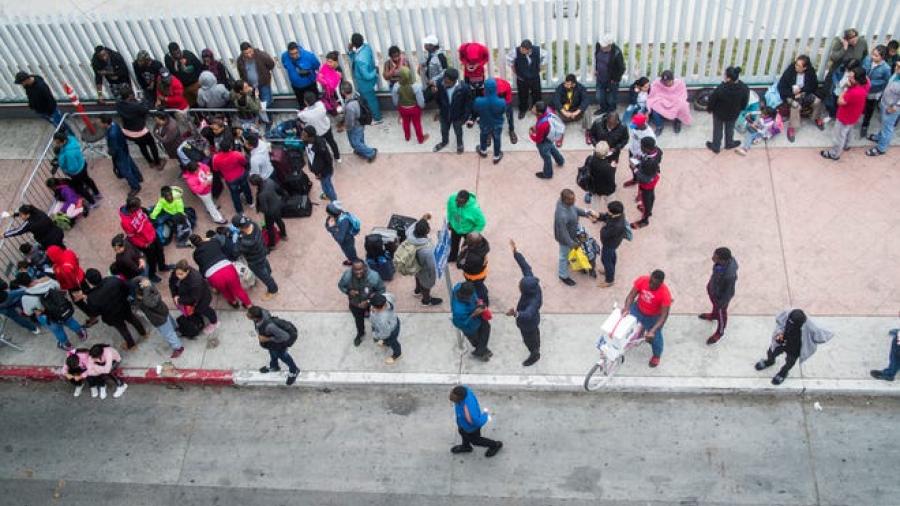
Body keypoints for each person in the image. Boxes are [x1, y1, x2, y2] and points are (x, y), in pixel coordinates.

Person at [756, 309, 833, 385]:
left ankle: (783, 373)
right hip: (782, 341)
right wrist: (779, 334)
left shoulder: (810, 327)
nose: (790, 324)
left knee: (790, 362)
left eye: (793, 324)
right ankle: (770, 361)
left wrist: (823, 337)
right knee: (771, 352)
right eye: (790, 321)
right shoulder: (787, 314)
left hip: (795, 348)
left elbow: (821, 335)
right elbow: (779, 323)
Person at [81, 268, 147, 350]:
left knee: (122, 329)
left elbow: (95, 313)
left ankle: (131, 344)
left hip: (112, 316)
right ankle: (143, 333)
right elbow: (126, 289)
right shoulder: (113, 280)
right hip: (124, 306)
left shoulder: (91, 297)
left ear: (90, 282)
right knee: (133, 319)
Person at [17, 272, 86, 350]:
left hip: (47, 316)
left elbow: (28, 312)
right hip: (61, 308)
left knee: (58, 330)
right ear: (30, 277)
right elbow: (60, 288)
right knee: (70, 321)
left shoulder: (25, 298)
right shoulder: (48, 282)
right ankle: (81, 334)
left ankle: (68, 345)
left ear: (22, 285)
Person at [623, 270, 672, 368]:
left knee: (655, 338)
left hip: (653, 316)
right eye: (651, 281)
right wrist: (627, 308)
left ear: (661, 283)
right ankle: (639, 332)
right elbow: (631, 295)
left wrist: (653, 331)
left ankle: (656, 355)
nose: (651, 285)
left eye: (655, 284)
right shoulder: (642, 280)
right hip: (638, 308)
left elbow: (664, 316)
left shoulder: (665, 294)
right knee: (625, 321)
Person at [188, 234, 251, 309]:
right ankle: (248, 305)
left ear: (193, 245)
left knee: (225, 291)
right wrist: (207, 239)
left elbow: (201, 267)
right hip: (227, 268)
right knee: (238, 289)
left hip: (213, 275)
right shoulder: (213, 242)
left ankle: (234, 303)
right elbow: (215, 240)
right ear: (202, 238)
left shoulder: (195, 254)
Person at [821, 67, 869, 161]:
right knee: (848, 131)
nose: (849, 79)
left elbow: (840, 102)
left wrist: (845, 89)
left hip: (845, 116)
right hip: (854, 114)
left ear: (857, 79)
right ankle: (847, 145)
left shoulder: (854, 92)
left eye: (851, 78)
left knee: (839, 136)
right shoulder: (866, 83)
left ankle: (834, 154)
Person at [507, 240, 542, 366]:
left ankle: (535, 354)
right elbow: (525, 267)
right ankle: (537, 343)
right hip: (533, 321)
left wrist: (515, 314)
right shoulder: (532, 282)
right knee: (535, 334)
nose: (518, 286)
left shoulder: (533, 301)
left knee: (529, 340)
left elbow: (527, 314)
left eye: (520, 286)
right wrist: (516, 252)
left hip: (528, 324)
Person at [119, 197, 170, 283]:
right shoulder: (125, 222)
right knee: (151, 259)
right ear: (132, 208)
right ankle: (152, 274)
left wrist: (152, 229)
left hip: (153, 234)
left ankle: (162, 266)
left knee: (160, 250)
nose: (140, 208)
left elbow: (145, 219)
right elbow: (132, 237)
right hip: (146, 243)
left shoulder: (138, 209)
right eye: (138, 207)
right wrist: (143, 244)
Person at [338, 260, 386, 346]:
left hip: (371, 305)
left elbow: (382, 290)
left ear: (365, 267)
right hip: (355, 304)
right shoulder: (347, 276)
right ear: (352, 268)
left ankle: (376, 334)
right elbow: (341, 286)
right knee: (358, 320)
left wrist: (369, 301)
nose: (358, 272)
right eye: (356, 269)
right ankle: (360, 334)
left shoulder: (374, 276)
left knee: (375, 320)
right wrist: (348, 291)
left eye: (360, 269)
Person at [248, 306, 300, 385]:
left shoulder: (270, 326)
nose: (246, 314)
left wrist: (267, 339)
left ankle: (294, 370)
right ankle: (274, 366)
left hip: (279, 343)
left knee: (283, 356)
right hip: (272, 344)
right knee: (272, 353)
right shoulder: (260, 313)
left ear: (255, 318)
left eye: (249, 314)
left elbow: (285, 337)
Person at [775, 55, 822, 142]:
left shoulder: (810, 72)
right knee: (795, 106)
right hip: (791, 95)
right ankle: (792, 127)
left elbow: (814, 86)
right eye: (796, 64)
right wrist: (793, 95)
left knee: (817, 101)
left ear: (805, 68)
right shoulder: (790, 71)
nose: (795, 67)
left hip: (805, 93)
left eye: (798, 66)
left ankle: (816, 117)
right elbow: (781, 87)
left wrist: (803, 91)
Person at [114, 85, 163, 168]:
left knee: (142, 146)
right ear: (130, 95)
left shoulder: (119, 105)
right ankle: (157, 163)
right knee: (152, 145)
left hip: (128, 132)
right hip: (140, 131)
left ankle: (150, 162)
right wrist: (142, 101)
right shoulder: (135, 106)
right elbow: (145, 110)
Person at [134, 277, 184, 358]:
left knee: (168, 333)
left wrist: (145, 290)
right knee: (171, 323)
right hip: (163, 311)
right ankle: (177, 330)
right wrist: (148, 286)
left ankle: (178, 348)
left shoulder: (146, 299)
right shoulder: (152, 289)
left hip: (158, 318)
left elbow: (148, 303)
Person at [554, 189, 595, 286]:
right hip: (565, 239)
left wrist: (586, 213)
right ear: (565, 200)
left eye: (574, 198)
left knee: (570, 251)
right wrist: (572, 244)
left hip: (573, 231)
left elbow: (574, 209)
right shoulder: (561, 216)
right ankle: (563, 275)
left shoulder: (564, 202)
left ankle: (570, 260)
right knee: (563, 256)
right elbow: (563, 233)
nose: (574, 201)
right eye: (571, 200)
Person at [233, 215, 278, 300]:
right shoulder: (254, 225)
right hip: (262, 252)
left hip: (255, 261)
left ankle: (273, 290)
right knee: (266, 266)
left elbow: (235, 252)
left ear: (239, 228)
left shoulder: (246, 242)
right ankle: (268, 272)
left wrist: (237, 240)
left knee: (265, 277)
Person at [699, 247, 738, 345]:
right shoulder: (721, 263)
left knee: (721, 313)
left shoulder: (729, 275)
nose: (712, 258)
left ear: (723, 260)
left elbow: (729, 292)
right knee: (715, 306)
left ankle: (720, 332)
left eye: (715, 257)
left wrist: (722, 304)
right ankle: (713, 315)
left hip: (721, 297)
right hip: (714, 289)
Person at [706, 66, 750, 153]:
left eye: (725, 75)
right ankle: (729, 143)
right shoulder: (744, 88)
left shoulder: (721, 89)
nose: (724, 76)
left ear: (729, 78)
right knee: (730, 128)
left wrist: (709, 109)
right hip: (733, 113)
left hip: (719, 113)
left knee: (717, 130)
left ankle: (716, 147)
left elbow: (712, 100)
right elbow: (744, 103)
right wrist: (740, 109)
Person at [45, 244, 94, 321]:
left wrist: (73, 291)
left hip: (75, 284)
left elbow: (71, 282)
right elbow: (76, 260)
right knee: (89, 292)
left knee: (78, 302)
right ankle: (95, 304)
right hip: (80, 275)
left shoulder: (63, 268)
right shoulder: (68, 252)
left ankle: (92, 316)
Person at [449, 385, 502, 456]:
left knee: (475, 440)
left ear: (460, 399)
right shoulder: (464, 390)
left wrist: (485, 415)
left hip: (472, 428)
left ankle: (495, 445)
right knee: (462, 432)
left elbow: (477, 422)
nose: (454, 402)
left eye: (455, 401)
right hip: (463, 424)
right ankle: (466, 447)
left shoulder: (468, 409)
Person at [51, 131, 100, 207]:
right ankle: (97, 193)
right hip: (82, 164)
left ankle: (92, 202)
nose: (57, 144)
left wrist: (65, 169)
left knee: (80, 188)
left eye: (58, 142)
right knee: (87, 179)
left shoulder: (68, 153)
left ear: (63, 141)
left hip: (76, 173)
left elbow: (72, 168)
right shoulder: (71, 139)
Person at [169, 259, 218, 334]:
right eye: (177, 274)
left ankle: (214, 322)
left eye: (181, 274)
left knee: (205, 310)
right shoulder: (176, 272)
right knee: (196, 310)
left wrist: (179, 300)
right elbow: (172, 283)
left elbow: (193, 298)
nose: (178, 276)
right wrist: (174, 294)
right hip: (188, 297)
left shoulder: (195, 281)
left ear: (187, 271)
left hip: (201, 299)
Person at [99, 116, 142, 196]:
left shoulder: (112, 134)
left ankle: (135, 186)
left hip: (119, 154)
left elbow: (114, 148)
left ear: (105, 123)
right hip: (124, 148)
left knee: (126, 171)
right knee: (131, 164)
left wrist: (110, 153)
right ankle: (138, 177)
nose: (99, 124)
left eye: (100, 122)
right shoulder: (115, 124)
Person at [433, 68, 473, 153]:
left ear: (454, 81)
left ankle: (459, 144)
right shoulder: (440, 83)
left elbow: (468, 104)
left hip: (458, 116)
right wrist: (435, 94)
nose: (444, 83)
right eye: (444, 80)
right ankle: (444, 142)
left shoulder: (464, 88)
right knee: (444, 130)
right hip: (444, 114)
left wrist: (465, 118)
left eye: (447, 82)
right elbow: (438, 99)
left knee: (458, 131)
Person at [405, 215, 442, 306]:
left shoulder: (409, 233)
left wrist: (423, 218)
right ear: (428, 231)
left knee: (417, 276)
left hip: (413, 264)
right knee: (426, 284)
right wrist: (432, 278)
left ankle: (417, 290)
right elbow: (431, 267)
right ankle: (426, 300)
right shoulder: (427, 250)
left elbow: (415, 225)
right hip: (423, 268)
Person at [236, 42, 276, 124]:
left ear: (252, 49)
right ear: (242, 53)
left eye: (250, 52)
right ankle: (263, 118)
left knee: (266, 102)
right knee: (257, 103)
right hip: (251, 86)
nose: (249, 55)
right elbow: (241, 74)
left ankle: (269, 118)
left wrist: (265, 73)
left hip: (264, 83)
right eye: (246, 53)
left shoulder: (260, 55)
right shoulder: (240, 60)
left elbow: (271, 64)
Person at [866, 60, 900, 156]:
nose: (896, 68)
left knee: (888, 128)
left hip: (892, 108)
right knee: (884, 123)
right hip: (884, 103)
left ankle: (881, 148)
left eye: (899, 67)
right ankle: (879, 137)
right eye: (897, 65)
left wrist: (895, 107)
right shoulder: (896, 74)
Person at [451, 281, 493, 361]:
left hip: (478, 315)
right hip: (470, 327)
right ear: (465, 296)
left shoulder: (460, 286)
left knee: (486, 327)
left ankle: (480, 351)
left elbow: (474, 296)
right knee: (476, 340)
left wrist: (478, 302)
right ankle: (481, 352)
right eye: (470, 296)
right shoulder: (459, 310)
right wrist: (474, 314)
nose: (472, 296)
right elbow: (459, 324)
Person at [211, 138, 253, 214]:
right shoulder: (237, 154)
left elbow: (216, 170)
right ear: (230, 147)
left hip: (230, 179)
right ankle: (251, 203)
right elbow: (244, 163)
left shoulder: (216, 158)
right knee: (246, 188)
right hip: (241, 174)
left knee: (234, 194)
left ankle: (240, 211)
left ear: (220, 148)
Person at [629, 136, 663, 229]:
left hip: (647, 183)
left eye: (642, 146)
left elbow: (644, 178)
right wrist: (641, 158)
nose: (640, 148)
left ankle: (645, 219)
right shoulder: (657, 151)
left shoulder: (650, 162)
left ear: (647, 148)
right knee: (650, 195)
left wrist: (635, 169)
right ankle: (648, 210)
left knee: (646, 199)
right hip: (653, 176)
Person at [348, 33, 382, 124]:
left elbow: (366, 75)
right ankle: (370, 114)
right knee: (368, 99)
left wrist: (375, 72)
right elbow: (355, 57)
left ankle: (377, 118)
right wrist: (351, 52)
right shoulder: (366, 47)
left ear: (353, 44)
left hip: (365, 82)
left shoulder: (359, 59)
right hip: (368, 80)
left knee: (371, 100)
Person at [507, 40, 546, 119]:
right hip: (522, 78)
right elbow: (508, 59)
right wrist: (514, 69)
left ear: (529, 49)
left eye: (523, 50)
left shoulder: (537, 50)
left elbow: (546, 55)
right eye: (521, 49)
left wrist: (541, 65)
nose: (521, 51)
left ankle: (537, 109)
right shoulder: (516, 51)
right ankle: (523, 110)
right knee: (522, 95)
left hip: (534, 77)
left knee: (537, 94)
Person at [340, 82, 378, 162]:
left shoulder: (350, 106)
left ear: (342, 92)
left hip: (355, 127)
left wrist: (345, 128)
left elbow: (350, 123)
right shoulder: (356, 96)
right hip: (361, 123)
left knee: (355, 143)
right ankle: (361, 151)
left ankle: (371, 153)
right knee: (360, 139)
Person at [298, 91, 341, 162]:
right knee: (332, 142)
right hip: (326, 128)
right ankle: (338, 157)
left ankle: (328, 159)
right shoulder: (321, 105)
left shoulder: (304, 114)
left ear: (306, 102)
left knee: (322, 146)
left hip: (317, 133)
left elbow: (300, 116)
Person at [446, 190, 486, 263]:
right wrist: (450, 221)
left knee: (466, 248)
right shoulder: (452, 199)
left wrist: (474, 233)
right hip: (455, 228)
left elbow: (482, 222)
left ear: (466, 201)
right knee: (454, 244)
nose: (457, 204)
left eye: (460, 203)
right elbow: (449, 210)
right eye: (457, 201)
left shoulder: (474, 209)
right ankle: (453, 257)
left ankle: (463, 258)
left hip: (468, 232)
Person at [860, 45, 891, 138]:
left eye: (876, 56)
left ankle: (865, 125)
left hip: (873, 91)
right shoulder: (867, 59)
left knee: (869, 108)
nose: (873, 57)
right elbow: (862, 69)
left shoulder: (886, 68)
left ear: (882, 57)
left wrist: (869, 82)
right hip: (862, 87)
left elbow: (885, 81)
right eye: (873, 54)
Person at [392, 68, 429, 145]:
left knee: (405, 122)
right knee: (417, 123)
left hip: (403, 109)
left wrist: (398, 106)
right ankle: (420, 139)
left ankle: (407, 137)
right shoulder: (416, 86)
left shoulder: (396, 86)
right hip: (414, 109)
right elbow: (421, 102)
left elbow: (395, 100)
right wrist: (422, 107)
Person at [647, 70, 692, 135]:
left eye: (668, 81)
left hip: (675, 101)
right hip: (662, 100)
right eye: (664, 82)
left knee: (683, 105)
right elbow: (653, 96)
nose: (666, 83)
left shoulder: (680, 83)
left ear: (672, 79)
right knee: (654, 105)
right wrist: (663, 99)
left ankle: (677, 122)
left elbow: (683, 95)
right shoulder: (657, 83)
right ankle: (659, 126)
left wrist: (674, 100)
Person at [595, 201, 628, 288]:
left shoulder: (616, 226)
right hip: (613, 243)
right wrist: (598, 216)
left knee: (606, 260)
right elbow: (607, 216)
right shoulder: (619, 215)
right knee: (611, 256)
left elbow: (604, 234)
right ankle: (610, 270)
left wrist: (602, 227)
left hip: (610, 243)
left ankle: (609, 280)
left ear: (614, 213)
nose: (608, 212)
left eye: (609, 211)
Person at [473, 78, 506, 163]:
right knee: (497, 138)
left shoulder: (478, 101)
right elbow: (503, 111)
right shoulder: (502, 102)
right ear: (496, 88)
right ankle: (496, 156)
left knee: (483, 136)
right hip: (497, 124)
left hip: (484, 123)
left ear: (485, 89)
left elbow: (476, 110)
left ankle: (483, 151)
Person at [530, 101, 565, 179]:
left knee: (546, 157)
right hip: (550, 137)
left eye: (534, 108)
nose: (532, 109)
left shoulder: (542, 125)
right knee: (552, 148)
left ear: (539, 113)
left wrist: (531, 135)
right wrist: (536, 126)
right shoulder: (548, 110)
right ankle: (560, 161)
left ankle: (548, 174)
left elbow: (538, 139)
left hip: (543, 142)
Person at [301, 125, 337, 201]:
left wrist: (321, 173)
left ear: (310, 137)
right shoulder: (306, 142)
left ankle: (334, 202)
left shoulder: (321, 147)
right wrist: (316, 172)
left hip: (325, 172)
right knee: (323, 184)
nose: (301, 135)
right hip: (318, 171)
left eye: (304, 135)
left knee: (328, 186)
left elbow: (328, 160)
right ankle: (327, 194)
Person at [249, 174, 287, 245]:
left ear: (255, 184)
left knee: (270, 228)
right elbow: (279, 189)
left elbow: (265, 209)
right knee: (279, 221)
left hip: (270, 212)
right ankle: (284, 235)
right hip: (277, 205)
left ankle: (272, 244)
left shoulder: (261, 195)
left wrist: (259, 209)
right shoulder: (270, 181)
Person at [593, 34, 626, 115]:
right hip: (600, 77)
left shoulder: (617, 53)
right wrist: (596, 69)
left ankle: (611, 111)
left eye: (604, 46)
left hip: (612, 80)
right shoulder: (598, 46)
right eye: (601, 45)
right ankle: (603, 109)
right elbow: (598, 59)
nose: (601, 47)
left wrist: (614, 79)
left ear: (610, 45)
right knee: (599, 96)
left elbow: (622, 68)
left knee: (611, 98)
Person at [282, 41, 320, 106]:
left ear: (299, 49)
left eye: (296, 53)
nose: (294, 56)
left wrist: (308, 71)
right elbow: (285, 66)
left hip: (310, 85)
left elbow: (317, 66)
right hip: (296, 87)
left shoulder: (309, 56)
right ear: (288, 52)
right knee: (302, 104)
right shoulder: (284, 56)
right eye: (291, 54)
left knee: (315, 104)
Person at [458, 232, 491, 305]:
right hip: (482, 273)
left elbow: (459, 265)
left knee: (479, 289)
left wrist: (461, 252)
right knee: (480, 285)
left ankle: (485, 302)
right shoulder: (484, 243)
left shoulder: (471, 257)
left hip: (474, 276)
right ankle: (483, 290)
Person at [579, 141, 616, 206]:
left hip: (594, 186)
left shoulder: (589, 158)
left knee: (595, 204)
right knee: (611, 203)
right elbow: (611, 181)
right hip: (606, 189)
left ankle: (594, 215)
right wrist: (613, 168)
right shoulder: (608, 167)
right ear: (607, 153)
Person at [370, 293, 401, 364]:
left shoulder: (382, 320)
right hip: (394, 322)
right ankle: (386, 342)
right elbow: (393, 297)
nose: (371, 308)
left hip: (391, 331)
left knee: (393, 342)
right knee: (387, 340)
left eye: (373, 307)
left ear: (382, 307)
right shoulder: (386, 297)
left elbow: (385, 334)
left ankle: (397, 354)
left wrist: (375, 335)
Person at [419, 35, 448, 103]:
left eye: (426, 45)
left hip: (437, 83)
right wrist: (423, 64)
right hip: (432, 82)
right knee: (436, 98)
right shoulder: (431, 53)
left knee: (436, 98)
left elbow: (445, 71)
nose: (425, 46)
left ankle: (442, 111)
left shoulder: (440, 56)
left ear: (432, 46)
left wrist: (433, 81)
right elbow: (431, 62)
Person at [494, 77, 518, 144]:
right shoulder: (488, 88)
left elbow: (508, 101)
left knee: (509, 112)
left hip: (505, 101)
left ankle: (511, 130)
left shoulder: (507, 86)